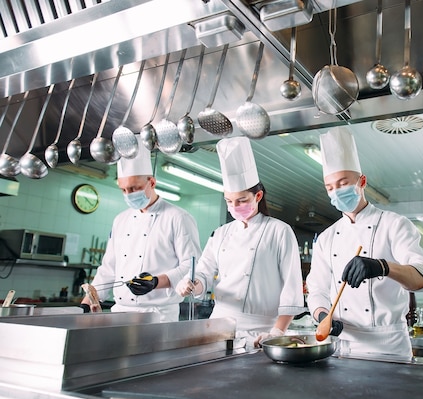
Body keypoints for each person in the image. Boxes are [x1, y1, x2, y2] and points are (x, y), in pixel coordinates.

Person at [305, 126, 423, 360]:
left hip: (390, 346)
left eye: (343, 183)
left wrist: (383, 266)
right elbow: (316, 289)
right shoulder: (326, 237)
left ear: (362, 181)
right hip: (343, 347)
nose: (336, 191)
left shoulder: (394, 224)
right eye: (330, 187)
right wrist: (322, 314)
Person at [175, 136, 305, 348]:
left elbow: (291, 289)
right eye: (229, 201)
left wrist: (277, 332)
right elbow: (203, 273)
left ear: (258, 196)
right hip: (217, 328)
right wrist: (191, 284)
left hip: (262, 334)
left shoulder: (280, 231)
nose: (235, 207)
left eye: (242, 200)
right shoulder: (221, 233)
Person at [81, 145, 202, 322]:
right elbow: (109, 267)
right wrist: (88, 301)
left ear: (151, 183)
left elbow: (192, 266)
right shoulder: (120, 220)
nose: (128, 194)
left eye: (134, 188)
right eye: (123, 190)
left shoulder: (178, 218)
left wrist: (156, 282)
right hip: (119, 313)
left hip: (158, 316)